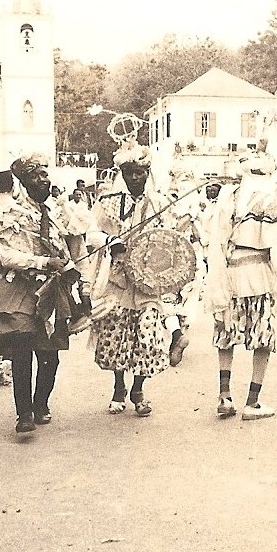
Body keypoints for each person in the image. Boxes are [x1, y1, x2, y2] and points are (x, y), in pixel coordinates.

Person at [88, 145, 191, 415]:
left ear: (147, 173)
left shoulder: (159, 203)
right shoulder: (108, 202)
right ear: (123, 173)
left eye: (141, 173)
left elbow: (170, 238)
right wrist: (111, 241)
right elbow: (92, 234)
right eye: (130, 173)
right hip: (118, 279)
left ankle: (139, 388)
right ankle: (119, 386)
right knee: (118, 333)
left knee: (148, 335)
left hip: (148, 280)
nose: (135, 178)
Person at [203, 142, 277, 420]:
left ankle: (224, 396)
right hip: (258, 277)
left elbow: (216, 241)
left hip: (229, 275)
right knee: (262, 339)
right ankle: (252, 404)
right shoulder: (271, 202)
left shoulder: (228, 198)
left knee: (226, 335)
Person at [0, 156, 78, 433]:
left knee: (51, 355)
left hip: (52, 289)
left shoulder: (55, 213)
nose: (44, 181)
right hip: (20, 290)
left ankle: (41, 404)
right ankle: (23, 413)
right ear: (23, 181)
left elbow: (68, 248)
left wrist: (70, 269)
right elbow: (7, 255)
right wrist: (42, 263)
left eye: (46, 175)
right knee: (22, 350)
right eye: (37, 176)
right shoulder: (9, 214)